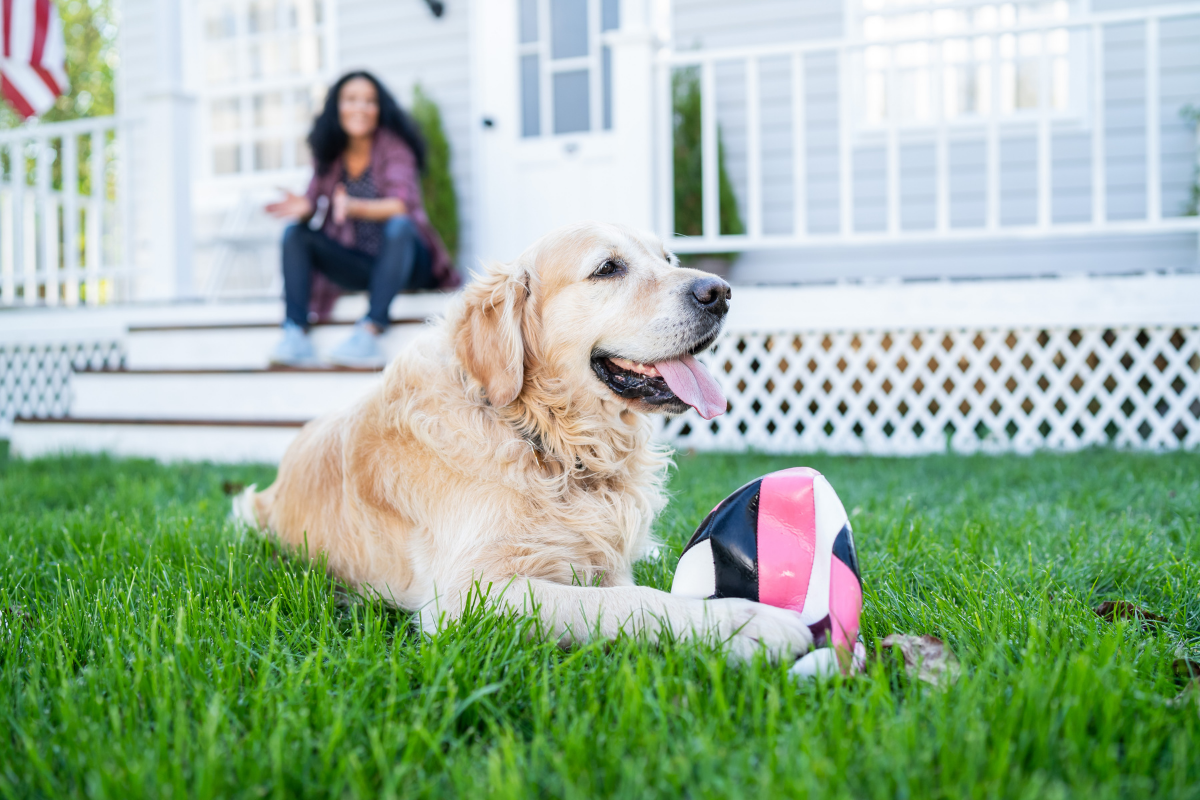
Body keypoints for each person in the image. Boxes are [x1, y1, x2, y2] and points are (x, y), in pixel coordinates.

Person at [265, 71, 459, 366]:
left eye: (370, 101)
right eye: (352, 100)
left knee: (400, 226)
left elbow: (401, 205)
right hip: (363, 265)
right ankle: (295, 333)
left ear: (379, 109)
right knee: (295, 234)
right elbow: (313, 199)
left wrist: (355, 206)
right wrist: (304, 208)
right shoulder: (330, 152)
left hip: (409, 262)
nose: (361, 108)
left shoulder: (394, 146)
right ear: (337, 107)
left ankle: (369, 331)